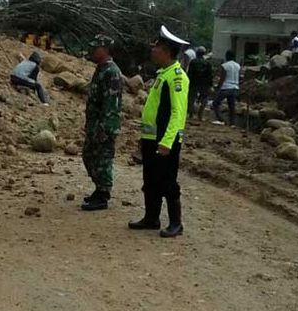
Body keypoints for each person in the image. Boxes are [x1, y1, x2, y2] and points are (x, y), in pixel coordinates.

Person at [129, 25, 190, 238]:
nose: (153, 51)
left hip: (165, 140)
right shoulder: (162, 74)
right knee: (151, 179)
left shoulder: (176, 77)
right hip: (152, 138)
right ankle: (151, 218)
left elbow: (178, 113)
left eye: (156, 47)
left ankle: (176, 223)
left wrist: (167, 141)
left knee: (167, 181)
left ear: (166, 50)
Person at [81, 34, 123, 212]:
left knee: (102, 159)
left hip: (104, 126)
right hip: (95, 124)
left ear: (105, 49)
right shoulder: (101, 69)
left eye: (96, 47)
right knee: (89, 156)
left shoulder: (111, 72)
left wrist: (104, 128)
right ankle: (99, 189)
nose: (92, 50)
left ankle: (103, 194)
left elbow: (111, 104)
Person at [212, 50, 240, 126]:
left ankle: (221, 119)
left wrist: (218, 87)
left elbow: (222, 78)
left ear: (226, 56)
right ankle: (232, 123)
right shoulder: (238, 65)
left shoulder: (225, 65)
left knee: (215, 103)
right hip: (235, 87)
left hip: (226, 87)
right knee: (232, 106)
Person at [187, 46, 212, 121]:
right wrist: (210, 85)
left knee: (191, 98)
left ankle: (191, 114)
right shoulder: (207, 63)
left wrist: (188, 82)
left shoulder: (193, 62)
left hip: (194, 83)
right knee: (204, 99)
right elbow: (210, 75)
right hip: (204, 84)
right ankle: (200, 115)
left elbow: (190, 73)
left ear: (197, 53)